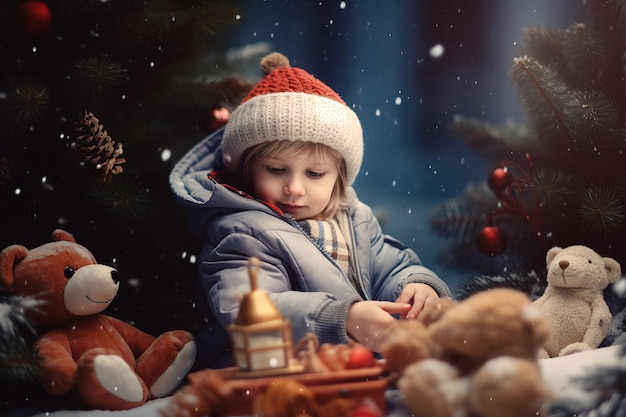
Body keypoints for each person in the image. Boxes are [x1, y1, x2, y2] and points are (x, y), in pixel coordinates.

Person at [170, 52, 451, 368]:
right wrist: (341, 319)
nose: (295, 188)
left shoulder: (353, 220)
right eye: (276, 170)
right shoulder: (239, 233)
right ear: (247, 170)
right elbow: (249, 308)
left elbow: (389, 264)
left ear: (339, 178)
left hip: (347, 370)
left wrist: (414, 286)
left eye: (315, 174)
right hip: (269, 377)